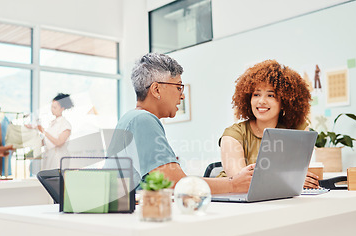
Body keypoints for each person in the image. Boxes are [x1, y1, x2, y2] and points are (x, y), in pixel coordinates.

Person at [107, 53, 253, 194]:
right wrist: (233, 184)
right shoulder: (142, 120)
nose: (182, 95)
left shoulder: (131, 119)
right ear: (156, 89)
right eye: (178, 87)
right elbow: (175, 184)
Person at [218, 59, 319, 188]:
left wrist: (294, 180)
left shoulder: (297, 130)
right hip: (231, 201)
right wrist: (289, 180)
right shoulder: (233, 134)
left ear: (284, 101)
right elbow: (241, 183)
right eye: (256, 94)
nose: (261, 101)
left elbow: (297, 175)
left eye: (270, 95)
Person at [37, 93, 73, 170]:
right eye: (51, 107)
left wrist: (44, 131)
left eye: (55, 107)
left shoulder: (65, 125)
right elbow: (47, 140)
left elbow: (59, 142)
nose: (52, 109)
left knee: (56, 180)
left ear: (62, 108)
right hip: (49, 156)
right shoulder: (52, 123)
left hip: (59, 158)